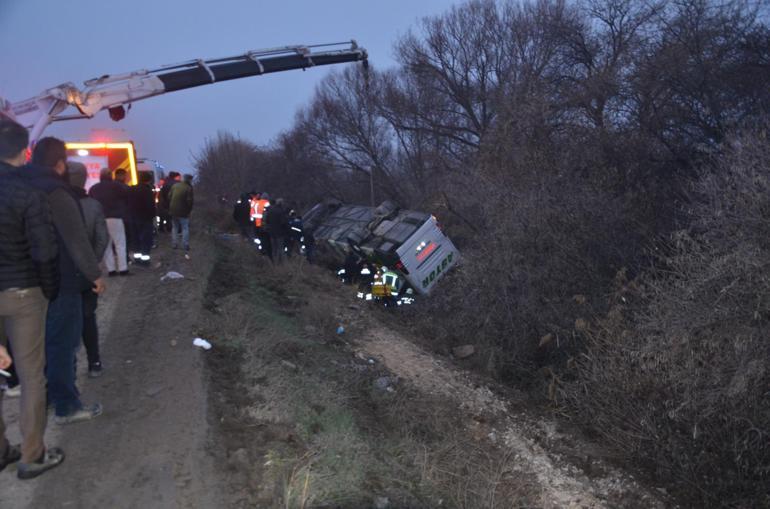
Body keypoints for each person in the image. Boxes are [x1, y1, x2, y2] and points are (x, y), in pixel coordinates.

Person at [23, 136, 106, 425]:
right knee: (62, 345)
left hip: (26, 283)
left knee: (39, 347)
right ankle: (66, 406)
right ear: (60, 164)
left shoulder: (19, 187)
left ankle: (45, 399)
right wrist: (94, 276)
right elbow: (76, 240)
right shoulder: (58, 193)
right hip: (61, 282)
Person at [0, 120, 65, 478]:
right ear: (25, 152)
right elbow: (44, 250)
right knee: (30, 377)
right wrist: (49, 289)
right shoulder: (29, 194)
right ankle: (31, 455)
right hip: (24, 293)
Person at [68, 162, 109, 378]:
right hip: (87, 274)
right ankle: (94, 363)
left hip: (63, 275)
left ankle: (69, 369)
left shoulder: (52, 203)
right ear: (84, 179)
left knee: (64, 323)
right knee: (87, 317)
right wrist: (93, 264)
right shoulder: (93, 206)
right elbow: (102, 238)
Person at [89, 168, 130, 276]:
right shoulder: (117, 186)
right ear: (110, 175)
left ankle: (111, 270)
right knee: (120, 244)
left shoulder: (94, 188)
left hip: (101, 219)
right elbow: (127, 198)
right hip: (115, 218)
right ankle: (123, 269)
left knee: (106, 246)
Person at [128, 172, 156, 265]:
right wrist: (153, 215)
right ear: (148, 180)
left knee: (136, 239)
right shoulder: (147, 190)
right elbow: (150, 205)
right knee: (146, 240)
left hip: (133, 217)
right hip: (145, 218)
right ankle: (145, 261)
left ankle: (137, 259)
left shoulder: (131, 189)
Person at [168, 173, 194, 252]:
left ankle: (174, 244)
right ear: (189, 180)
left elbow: (169, 196)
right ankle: (185, 245)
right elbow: (189, 201)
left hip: (173, 210)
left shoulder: (175, 186)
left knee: (175, 227)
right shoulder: (189, 188)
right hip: (183, 211)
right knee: (185, 228)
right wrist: (189, 210)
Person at [265, 197, 290, 264]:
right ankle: (281, 263)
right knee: (280, 248)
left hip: (272, 232)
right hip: (279, 233)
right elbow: (283, 223)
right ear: (281, 204)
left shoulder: (270, 211)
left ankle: (274, 263)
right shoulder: (281, 212)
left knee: (274, 248)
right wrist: (287, 230)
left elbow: (267, 221)